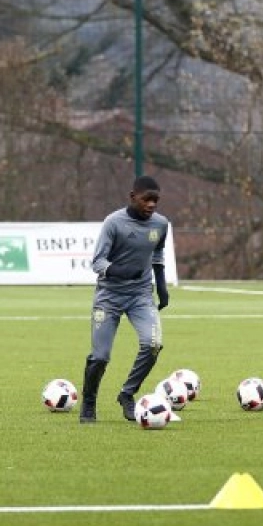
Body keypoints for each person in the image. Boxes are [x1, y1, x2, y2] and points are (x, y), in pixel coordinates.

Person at [78, 175, 171, 424]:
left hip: (141, 295)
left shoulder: (161, 224)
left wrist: (161, 286)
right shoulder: (113, 222)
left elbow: (158, 254)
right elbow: (97, 261)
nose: (151, 205)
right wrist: (120, 271)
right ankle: (88, 401)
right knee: (100, 356)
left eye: (156, 200)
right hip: (109, 296)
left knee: (153, 344)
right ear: (132, 197)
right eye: (146, 199)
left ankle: (127, 394)